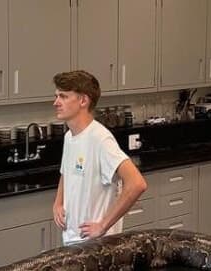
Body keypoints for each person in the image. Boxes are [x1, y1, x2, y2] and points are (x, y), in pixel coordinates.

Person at [51, 70, 147, 245]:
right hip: (72, 239)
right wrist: (58, 203)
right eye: (56, 96)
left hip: (96, 244)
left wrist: (103, 226)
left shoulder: (101, 139)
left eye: (63, 97)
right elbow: (66, 172)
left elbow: (137, 183)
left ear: (83, 100)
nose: (56, 102)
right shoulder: (69, 136)